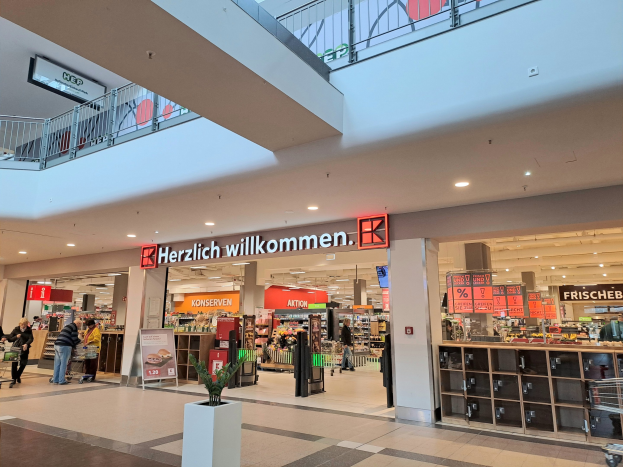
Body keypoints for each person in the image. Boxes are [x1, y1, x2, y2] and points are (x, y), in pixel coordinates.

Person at [1, 318, 33, 388]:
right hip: (15, 348)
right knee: (14, 364)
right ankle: (13, 379)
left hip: (24, 349)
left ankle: (17, 375)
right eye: (22, 325)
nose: (23, 326)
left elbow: (31, 338)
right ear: (20, 324)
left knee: (23, 363)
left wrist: (26, 344)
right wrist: (16, 337)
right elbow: (10, 339)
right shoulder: (16, 329)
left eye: (25, 325)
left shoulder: (29, 330)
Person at [52, 318, 82, 385]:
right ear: (78, 324)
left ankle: (55, 379)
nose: (80, 327)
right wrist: (80, 341)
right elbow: (74, 338)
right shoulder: (74, 327)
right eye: (80, 325)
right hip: (65, 346)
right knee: (64, 363)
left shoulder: (67, 326)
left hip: (57, 345)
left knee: (57, 363)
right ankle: (62, 380)